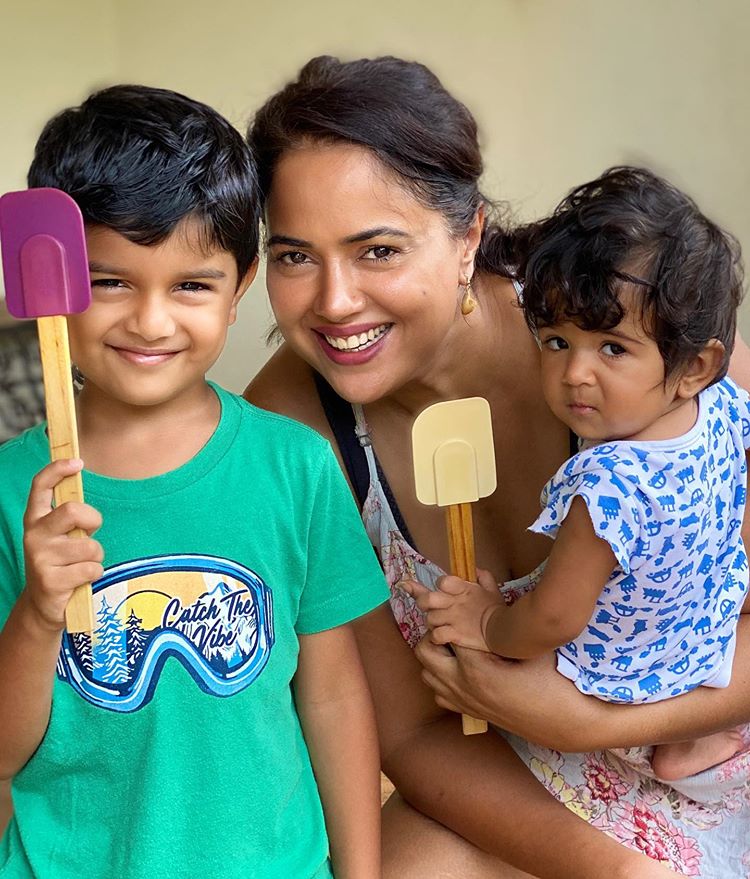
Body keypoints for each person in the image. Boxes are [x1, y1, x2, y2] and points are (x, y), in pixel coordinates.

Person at [244, 54, 750, 878]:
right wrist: (624, 870)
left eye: (378, 250)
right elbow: (411, 733)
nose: (334, 302)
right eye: (296, 256)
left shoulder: (625, 325)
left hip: (710, 738)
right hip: (528, 782)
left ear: (468, 235)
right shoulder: (293, 426)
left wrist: (588, 720)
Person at [0, 84, 386, 879]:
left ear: (240, 286)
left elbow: (335, 697)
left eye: (191, 285)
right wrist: (39, 614)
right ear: (56, 287)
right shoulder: (12, 492)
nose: (151, 320)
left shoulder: (297, 468)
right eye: (111, 282)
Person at [405, 166, 749, 787]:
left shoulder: (608, 484)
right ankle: (697, 734)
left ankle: (666, 739)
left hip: (626, 674)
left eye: (612, 348)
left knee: (488, 641)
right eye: (557, 341)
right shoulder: (721, 405)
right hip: (707, 626)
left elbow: (555, 621)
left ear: (696, 365)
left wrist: (487, 623)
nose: (575, 374)